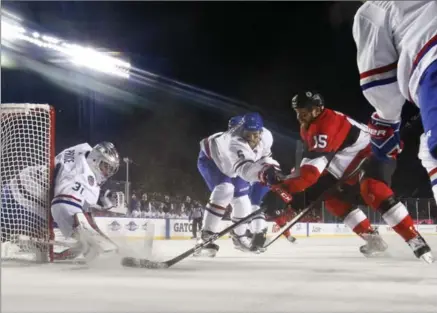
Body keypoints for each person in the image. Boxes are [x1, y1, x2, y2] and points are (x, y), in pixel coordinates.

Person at [261, 91, 434, 263]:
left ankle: (415, 239)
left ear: (317, 109)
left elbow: (311, 173)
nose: (300, 117)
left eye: (304, 112)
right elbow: (310, 161)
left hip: (371, 153)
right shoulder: (306, 127)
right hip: (344, 163)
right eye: (297, 113)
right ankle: (373, 240)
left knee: (372, 189)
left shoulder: (326, 124)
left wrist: (283, 191)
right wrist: (286, 183)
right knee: (331, 199)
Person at [352, 2, 437, 212]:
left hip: (432, 60)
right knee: (427, 148)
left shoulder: (373, 8)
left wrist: (385, 125)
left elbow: (380, 83)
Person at [196, 112, 280, 256]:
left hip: (234, 166)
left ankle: (240, 237)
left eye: (255, 135)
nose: (252, 140)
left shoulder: (266, 136)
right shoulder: (232, 142)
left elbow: (264, 158)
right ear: (241, 132)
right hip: (213, 162)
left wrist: (276, 171)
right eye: (248, 135)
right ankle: (206, 235)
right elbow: (246, 171)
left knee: (242, 201)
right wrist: (266, 174)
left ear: (261, 131)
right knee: (225, 189)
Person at [51, 142, 120, 262]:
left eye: (109, 169)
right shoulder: (84, 179)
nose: (106, 173)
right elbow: (61, 205)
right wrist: (90, 238)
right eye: (105, 167)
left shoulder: (84, 149)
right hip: (25, 198)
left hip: (29, 181)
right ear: (95, 160)